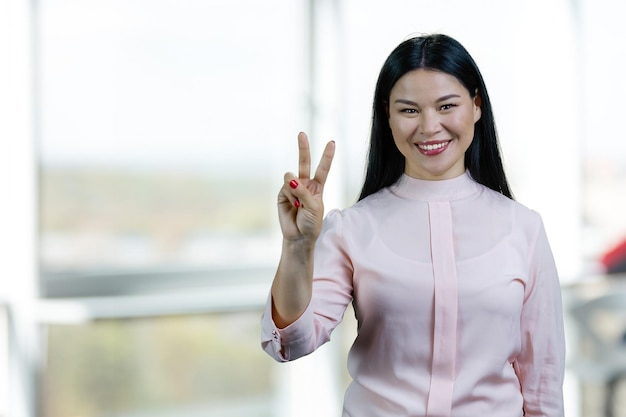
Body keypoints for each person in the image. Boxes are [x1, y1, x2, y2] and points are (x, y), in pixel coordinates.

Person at [261, 33, 565, 417]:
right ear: (387, 115)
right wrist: (298, 248)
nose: (429, 126)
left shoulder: (523, 228)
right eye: (409, 110)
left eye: (446, 106)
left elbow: (543, 381)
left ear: (476, 105)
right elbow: (290, 343)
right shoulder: (353, 228)